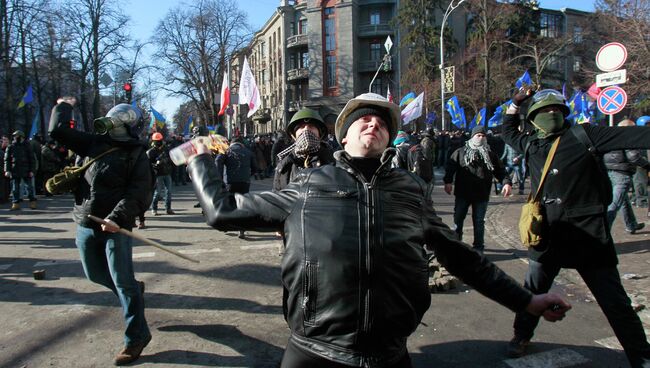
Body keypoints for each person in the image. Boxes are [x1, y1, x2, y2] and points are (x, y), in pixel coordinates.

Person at [186, 92, 570, 368]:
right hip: (314, 352)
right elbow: (222, 212)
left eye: (382, 122)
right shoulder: (307, 185)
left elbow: (462, 258)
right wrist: (199, 159)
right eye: (363, 119)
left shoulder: (410, 192)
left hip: (390, 354)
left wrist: (526, 301)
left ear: (388, 139)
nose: (374, 123)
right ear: (345, 136)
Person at [501, 88, 650, 367]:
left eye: (556, 110)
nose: (551, 114)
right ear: (533, 118)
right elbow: (507, 130)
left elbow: (636, 136)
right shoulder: (532, 143)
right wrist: (515, 103)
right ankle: (521, 336)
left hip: (589, 237)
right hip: (547, 235)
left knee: (615, 303)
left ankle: (641, 356)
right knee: (532, 293)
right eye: (544, 111)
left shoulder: (585, 135)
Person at [48, 97, 153, 366]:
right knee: (94, 274)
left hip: (115, 226)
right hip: (86, 221)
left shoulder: (137, 154)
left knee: (123, 282)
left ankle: (137, 337)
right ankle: (133, 290)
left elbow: (139, 193)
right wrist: (64, 106)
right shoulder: (93, 142)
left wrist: (116, 217)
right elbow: (57, 132)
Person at [443, 125, 511, 253]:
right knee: (458, 218)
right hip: (463, 192)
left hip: (482, 193)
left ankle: (478, 247)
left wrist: (506, 182)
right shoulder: (460, 152)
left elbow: (500, 170)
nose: (481, 138)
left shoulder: (490, 154)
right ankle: (457, 243)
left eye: (483, 135)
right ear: (472, 137)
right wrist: (448, 181)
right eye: (478, 135)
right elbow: (451, 167)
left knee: (479, 221)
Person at [604, 119, 649, 234]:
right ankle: (603, 233)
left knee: (623, 200)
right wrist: (648, 165)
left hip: (609, 171)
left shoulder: (611, 136)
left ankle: (631, 224)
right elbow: (633, 157)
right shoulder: (628, 137)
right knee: (614, 204)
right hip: (622, 173)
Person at [272, 107, 334, 192]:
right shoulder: (284, 165)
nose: (306, 130)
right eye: (301, 127)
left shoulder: (332, 161)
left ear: (320, 134)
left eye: (311, 127)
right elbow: (277, 195)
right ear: (294, 135)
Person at [215, 135, 256, 238]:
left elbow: (217, 161)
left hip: (230, 181)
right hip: (245, 182)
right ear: (241, 143)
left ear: (231, 143)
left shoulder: (227, 151)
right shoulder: (248, 152)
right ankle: (241, 229)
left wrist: (219, 176)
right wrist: (247, 175)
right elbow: (255, 168)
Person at [4, 130, 37, 210]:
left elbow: (32, 159)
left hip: (26, 170)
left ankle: (32, 201)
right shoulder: (11, 147)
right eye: (15, 137)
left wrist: (32, 171)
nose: (17, 138)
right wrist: (7, 170)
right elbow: (7, 159)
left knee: (29, 188)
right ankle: (15, 203)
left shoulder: (27, 146)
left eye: (18, 137)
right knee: (15, 188)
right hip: (15, 170)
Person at [147, 132, 175, 216]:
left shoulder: (166, 149)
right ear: (153, 141)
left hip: (167, 172)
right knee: (157, 193)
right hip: (158, 174)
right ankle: (154, 209)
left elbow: (171, 159)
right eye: (157, 140)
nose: (159, 142)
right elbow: (148, 164)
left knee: (169, 192)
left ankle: (168, 209)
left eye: (160, 140)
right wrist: (156, 164)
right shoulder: (150, 152)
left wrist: (167, 161)